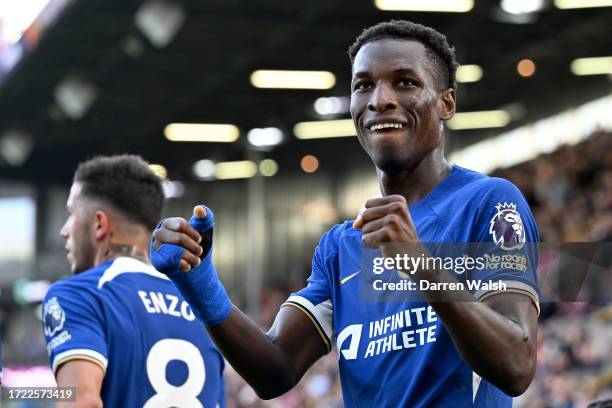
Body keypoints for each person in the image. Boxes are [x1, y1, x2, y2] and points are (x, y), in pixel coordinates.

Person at [151, 20, 540, 407]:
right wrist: (199, 283)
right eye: (363, 85)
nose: (379, 99)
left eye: (405, 82)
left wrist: (421, 265)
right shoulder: (342, 245)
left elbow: (516, 365)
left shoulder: (489, 203)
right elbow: (275, 369)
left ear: (446, 103)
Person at [42, 155, 225, 408]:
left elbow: (81, 401)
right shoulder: (204, 313)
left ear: (99, 224)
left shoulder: (79, 293)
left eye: (71, 214)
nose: (64, 230)